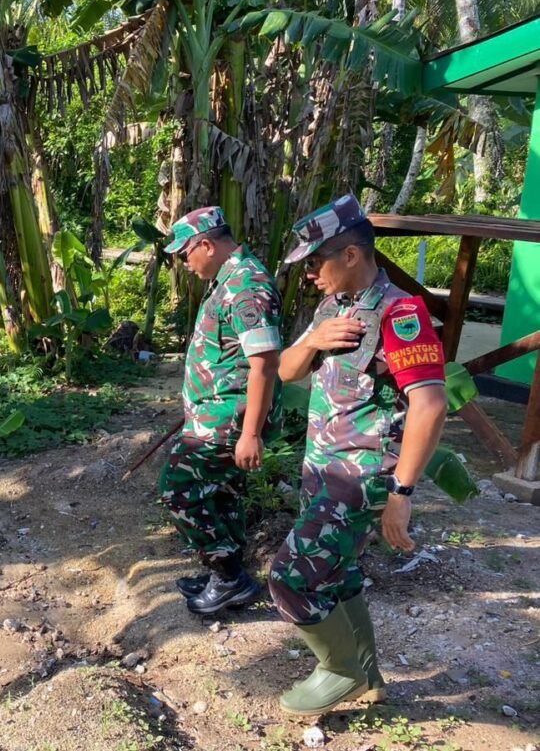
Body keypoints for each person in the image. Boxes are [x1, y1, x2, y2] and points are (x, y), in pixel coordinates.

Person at [271, 194, 448, 716]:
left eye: (315, 261)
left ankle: (341, 670)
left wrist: (402, 492)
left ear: (350, 255)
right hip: (323, 471)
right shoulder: (334, 308)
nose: (309, 275)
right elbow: (286, 370)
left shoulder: (401, 313)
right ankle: (369, 677)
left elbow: (431, 405)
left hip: (361, 478)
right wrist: (314, 340)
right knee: (338, 575)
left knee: (290, 579)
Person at [158, 205, 282, 615]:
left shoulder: (246, 285)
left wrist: (250, 433)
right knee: (222, 495)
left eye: (185, 254)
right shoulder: (228, 279)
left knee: (179, 489)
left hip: (230, 417)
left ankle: (228, 576)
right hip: (216, 411)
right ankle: (227, 577)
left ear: (207, 245)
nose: (185, 264)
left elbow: (264, 362)